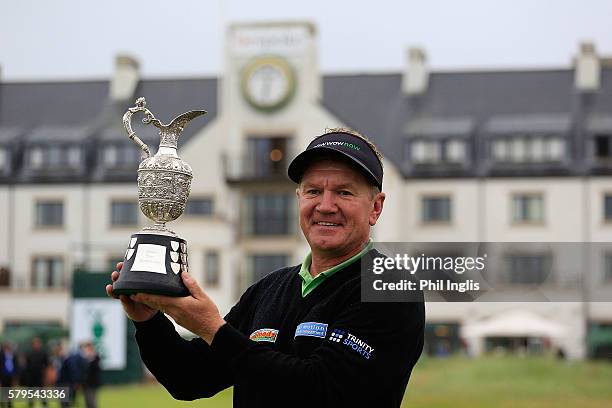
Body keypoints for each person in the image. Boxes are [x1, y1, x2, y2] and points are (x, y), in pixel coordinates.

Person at [106, 128, 425, 407]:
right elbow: (191, 379)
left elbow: (321, 391)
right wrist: (149, 322)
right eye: (314, 191)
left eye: (344, 192)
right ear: (299, 198)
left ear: (376, 207)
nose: (325, 205)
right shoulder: (270, 289)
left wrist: (211, 327)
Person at [22, 337, 49, 408]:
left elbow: (46, 363)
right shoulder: (29, 353)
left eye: (37, 343)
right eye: (34, 344)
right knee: (30, 390)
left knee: (41, 390)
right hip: (30, 375)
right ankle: (30, 404)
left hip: (40, 375)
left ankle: (44, 404)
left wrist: (43, 371)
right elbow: (26, 365)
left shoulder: (43, 353)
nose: (36, 345)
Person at [1, 342, 20, 408]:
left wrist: (16, 375)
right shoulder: (1, 355)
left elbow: (16, 365)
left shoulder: (13, 355)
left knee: (10, 390)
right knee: (4, 389)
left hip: (11, 375)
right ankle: (3, 402)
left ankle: (9, 403)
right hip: (3, 375)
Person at [82, 342, 100, 408]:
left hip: (92, 383)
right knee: (87, 401)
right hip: (85, 383)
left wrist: (91, 358)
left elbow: (96, 369)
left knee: (92, 401)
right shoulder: (83, 358)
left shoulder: (95, 357)